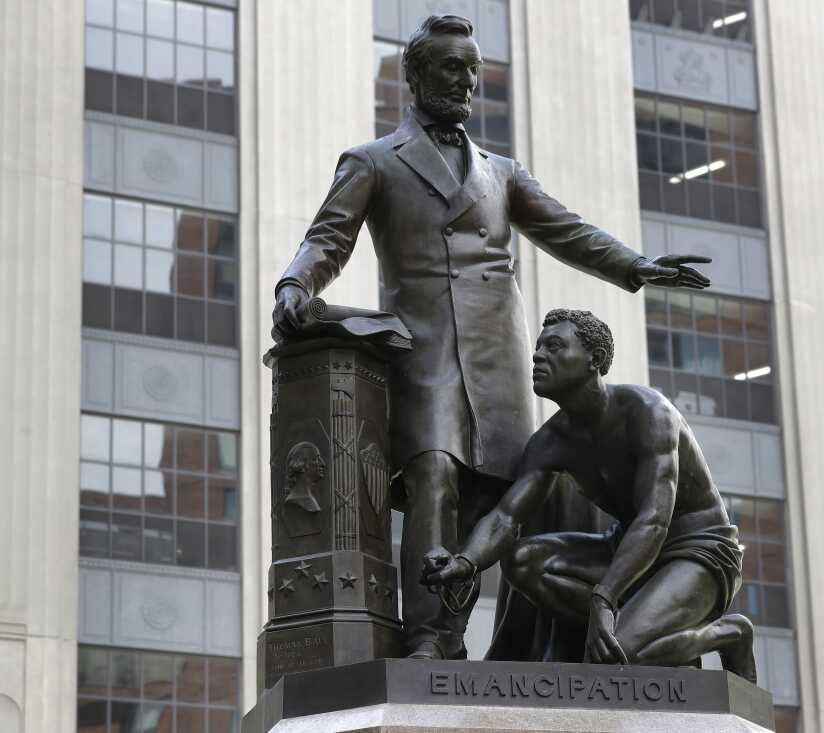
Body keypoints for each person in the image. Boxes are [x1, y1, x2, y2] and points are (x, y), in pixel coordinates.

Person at [271, 14, 711, 660]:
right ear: (415, 76)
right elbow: (327, 237)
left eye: (474, 69)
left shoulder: (501, 172)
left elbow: (568, 228)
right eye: (452, 67)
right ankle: (429, 637)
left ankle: (504, 644)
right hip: (424, 350)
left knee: (506, 494)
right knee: (435, 475)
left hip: (500, 353)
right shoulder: (372, 162)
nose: (466, 80)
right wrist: (294, 283)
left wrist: (633, 266)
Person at [422, 309, 756, 681]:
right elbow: (507, 517)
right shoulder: (551, 442)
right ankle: (643, 625)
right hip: (626, 551)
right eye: (537, 347)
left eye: (554, 346)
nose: (537, 356)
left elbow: (655, 520)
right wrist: (465, 562)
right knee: (523, 561)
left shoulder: (648, 413)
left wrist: (604, 598)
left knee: (619, 655)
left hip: (696, 551)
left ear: (594, 360)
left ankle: (728, 633)